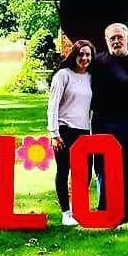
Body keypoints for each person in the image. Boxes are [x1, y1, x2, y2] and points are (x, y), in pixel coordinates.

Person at [90, 23, 128, 223]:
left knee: (127, 165)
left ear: (127, 38)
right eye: (112, 38)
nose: (116, 41)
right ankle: (104, 208)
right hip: (102, 122)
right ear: (106, 40)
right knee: (103, 167)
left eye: (119, 37)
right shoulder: (96, 62)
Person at [47, 39, 95, 226]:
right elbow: (53, 105)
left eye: (87, 54)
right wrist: (54, 133)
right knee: (64, 170)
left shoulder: (91, 77)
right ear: (74, 55)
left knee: (84, 173)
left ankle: (79, 209)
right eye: (81, 54)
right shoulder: (63, 75)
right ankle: (66, 212)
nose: (84, 58)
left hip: (84, 131)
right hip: (64, 130)